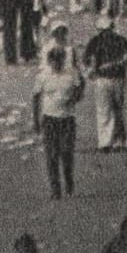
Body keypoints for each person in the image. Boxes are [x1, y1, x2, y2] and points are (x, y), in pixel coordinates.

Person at [33, 45, 84, 199]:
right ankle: (56, 190)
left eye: (60, 60)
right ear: (49, 61)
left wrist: (74, 98)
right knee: (52, 155)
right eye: (54, 61)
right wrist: (35, 120)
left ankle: (69, 184)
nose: (57, 64)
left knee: (67, 153)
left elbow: (80, 88)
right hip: (49, 119)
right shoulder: (43, 76)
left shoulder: (71, 73)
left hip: (67, 118)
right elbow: (36, 97)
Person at [84, 13, 127, 150]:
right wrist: (117, 64)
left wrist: (93, 71)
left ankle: (105, 142)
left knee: (103, 110)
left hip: (102, 79)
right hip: (118, 78)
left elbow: (87, 61)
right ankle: (118, 141)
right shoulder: (121, 40)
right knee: (117, 109)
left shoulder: (95, 41)